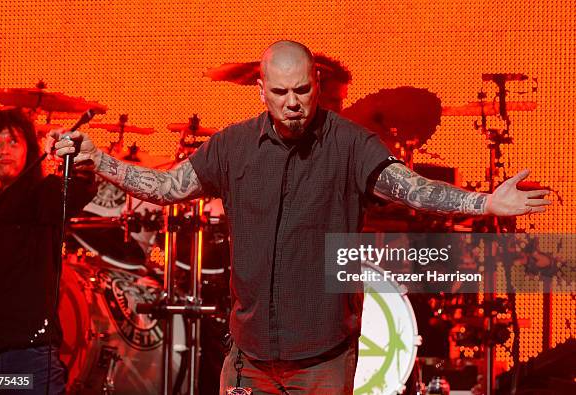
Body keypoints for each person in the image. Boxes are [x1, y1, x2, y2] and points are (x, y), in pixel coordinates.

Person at [53, 40, 551, 394]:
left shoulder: (350, 144)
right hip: (249, 361)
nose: (293, 104)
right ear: (262, 90)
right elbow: (166, 187)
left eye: (302, 91)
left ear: (315, 84)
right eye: (280, 93)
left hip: (322, 365)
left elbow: (411, 188)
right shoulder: (233, 146)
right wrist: (102, 161)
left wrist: (483, 202)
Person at [0, 108, 97, 394]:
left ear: (28, 150)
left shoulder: (43, 196)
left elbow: (81, 188)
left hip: (28, 360)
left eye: (13, 142)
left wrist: (71, 153)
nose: (4, 150)